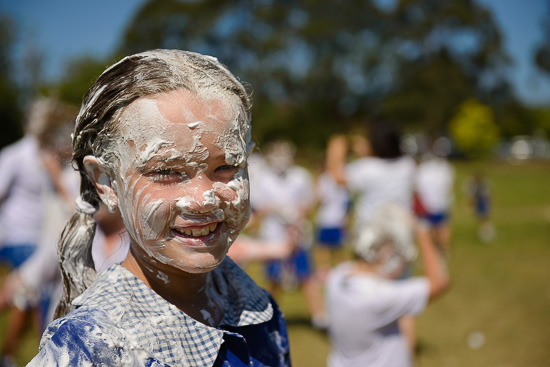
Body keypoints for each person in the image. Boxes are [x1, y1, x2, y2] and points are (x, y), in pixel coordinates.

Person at [28, 49, 291, 367]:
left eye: (227, 166)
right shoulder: (90, 351)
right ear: (106, 182)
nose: (203, 198)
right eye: (166, 171)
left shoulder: (260, 311)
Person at [325, 204, 450, 367]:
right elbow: (440, 282)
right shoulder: (380, 297)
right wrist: (422, 234)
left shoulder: (337, 276)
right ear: (390, 257)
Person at [415, 136, 455, 255]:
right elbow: (449, 186)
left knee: (431, 228)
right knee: (442, 226)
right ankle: (443, 250)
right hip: (441, 202)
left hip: (428, 203)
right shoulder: (446, 168)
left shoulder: (422, 168)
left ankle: (433, 250)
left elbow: (417, 188)